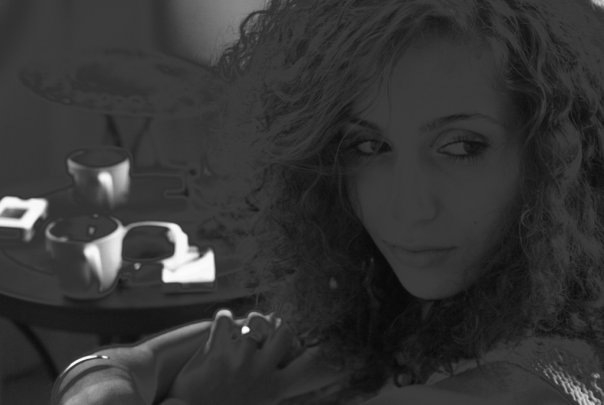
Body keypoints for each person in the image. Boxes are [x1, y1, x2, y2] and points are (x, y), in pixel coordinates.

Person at [52, 0, 604, 403]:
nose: (406, 208)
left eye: (460, 147)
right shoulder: (420, 300)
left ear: (557, 153)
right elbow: (111, 366)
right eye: (368, 145)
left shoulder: (526, 383)